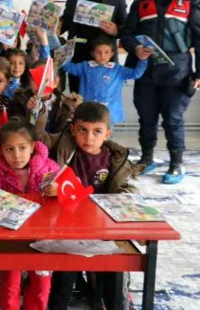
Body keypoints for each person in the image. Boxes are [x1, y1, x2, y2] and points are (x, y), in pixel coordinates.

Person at [120, 0, 200, 184]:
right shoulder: (141, 3)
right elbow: (127, 34)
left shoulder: (193, 2)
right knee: (146, 119)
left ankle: (176, 164)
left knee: (173, 120)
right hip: (146, 72)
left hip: (177, 73)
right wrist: (135, 48)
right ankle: (147, 158)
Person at [41, 102, 137, 310]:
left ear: (108, 133)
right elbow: (39, 139)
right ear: (73, 129)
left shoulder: (115, 158)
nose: (89, 137)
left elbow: (126, 191)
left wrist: (121, 198)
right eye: (83, 130)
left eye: (97, 132)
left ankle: (115, 301)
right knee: (65, 273)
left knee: (113, 268)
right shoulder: (64, 145)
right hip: (66, 228)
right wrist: (39, 109)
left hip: (100, 228)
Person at [0, 119, 59, 310]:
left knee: (42, 285)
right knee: (10, 284)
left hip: (42, 237)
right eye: (10, 149)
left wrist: (58, 189)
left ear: (32, 147)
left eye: (22, 148)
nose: (17, 155)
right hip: (10, 237)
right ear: (1, 150)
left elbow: (66, 182)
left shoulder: (47, 166)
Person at [59, 0, 128, 92]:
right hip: (78, 57)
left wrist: (115, 30)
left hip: (104, 57)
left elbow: (126, 25)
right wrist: (54, 28)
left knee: (104, 101)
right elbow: (66, 21)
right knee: (77, 101)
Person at [62, 36, 149, 125]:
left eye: (106, 52)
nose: (102, 56)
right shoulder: (85, 66)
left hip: (109, 113)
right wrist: (66, 50)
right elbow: (68, 67)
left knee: (106, 135)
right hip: (87, 111)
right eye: (98, 52)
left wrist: (143, 59)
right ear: (92, 53)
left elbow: (136, 73)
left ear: (112, 54)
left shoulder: (118, 69)